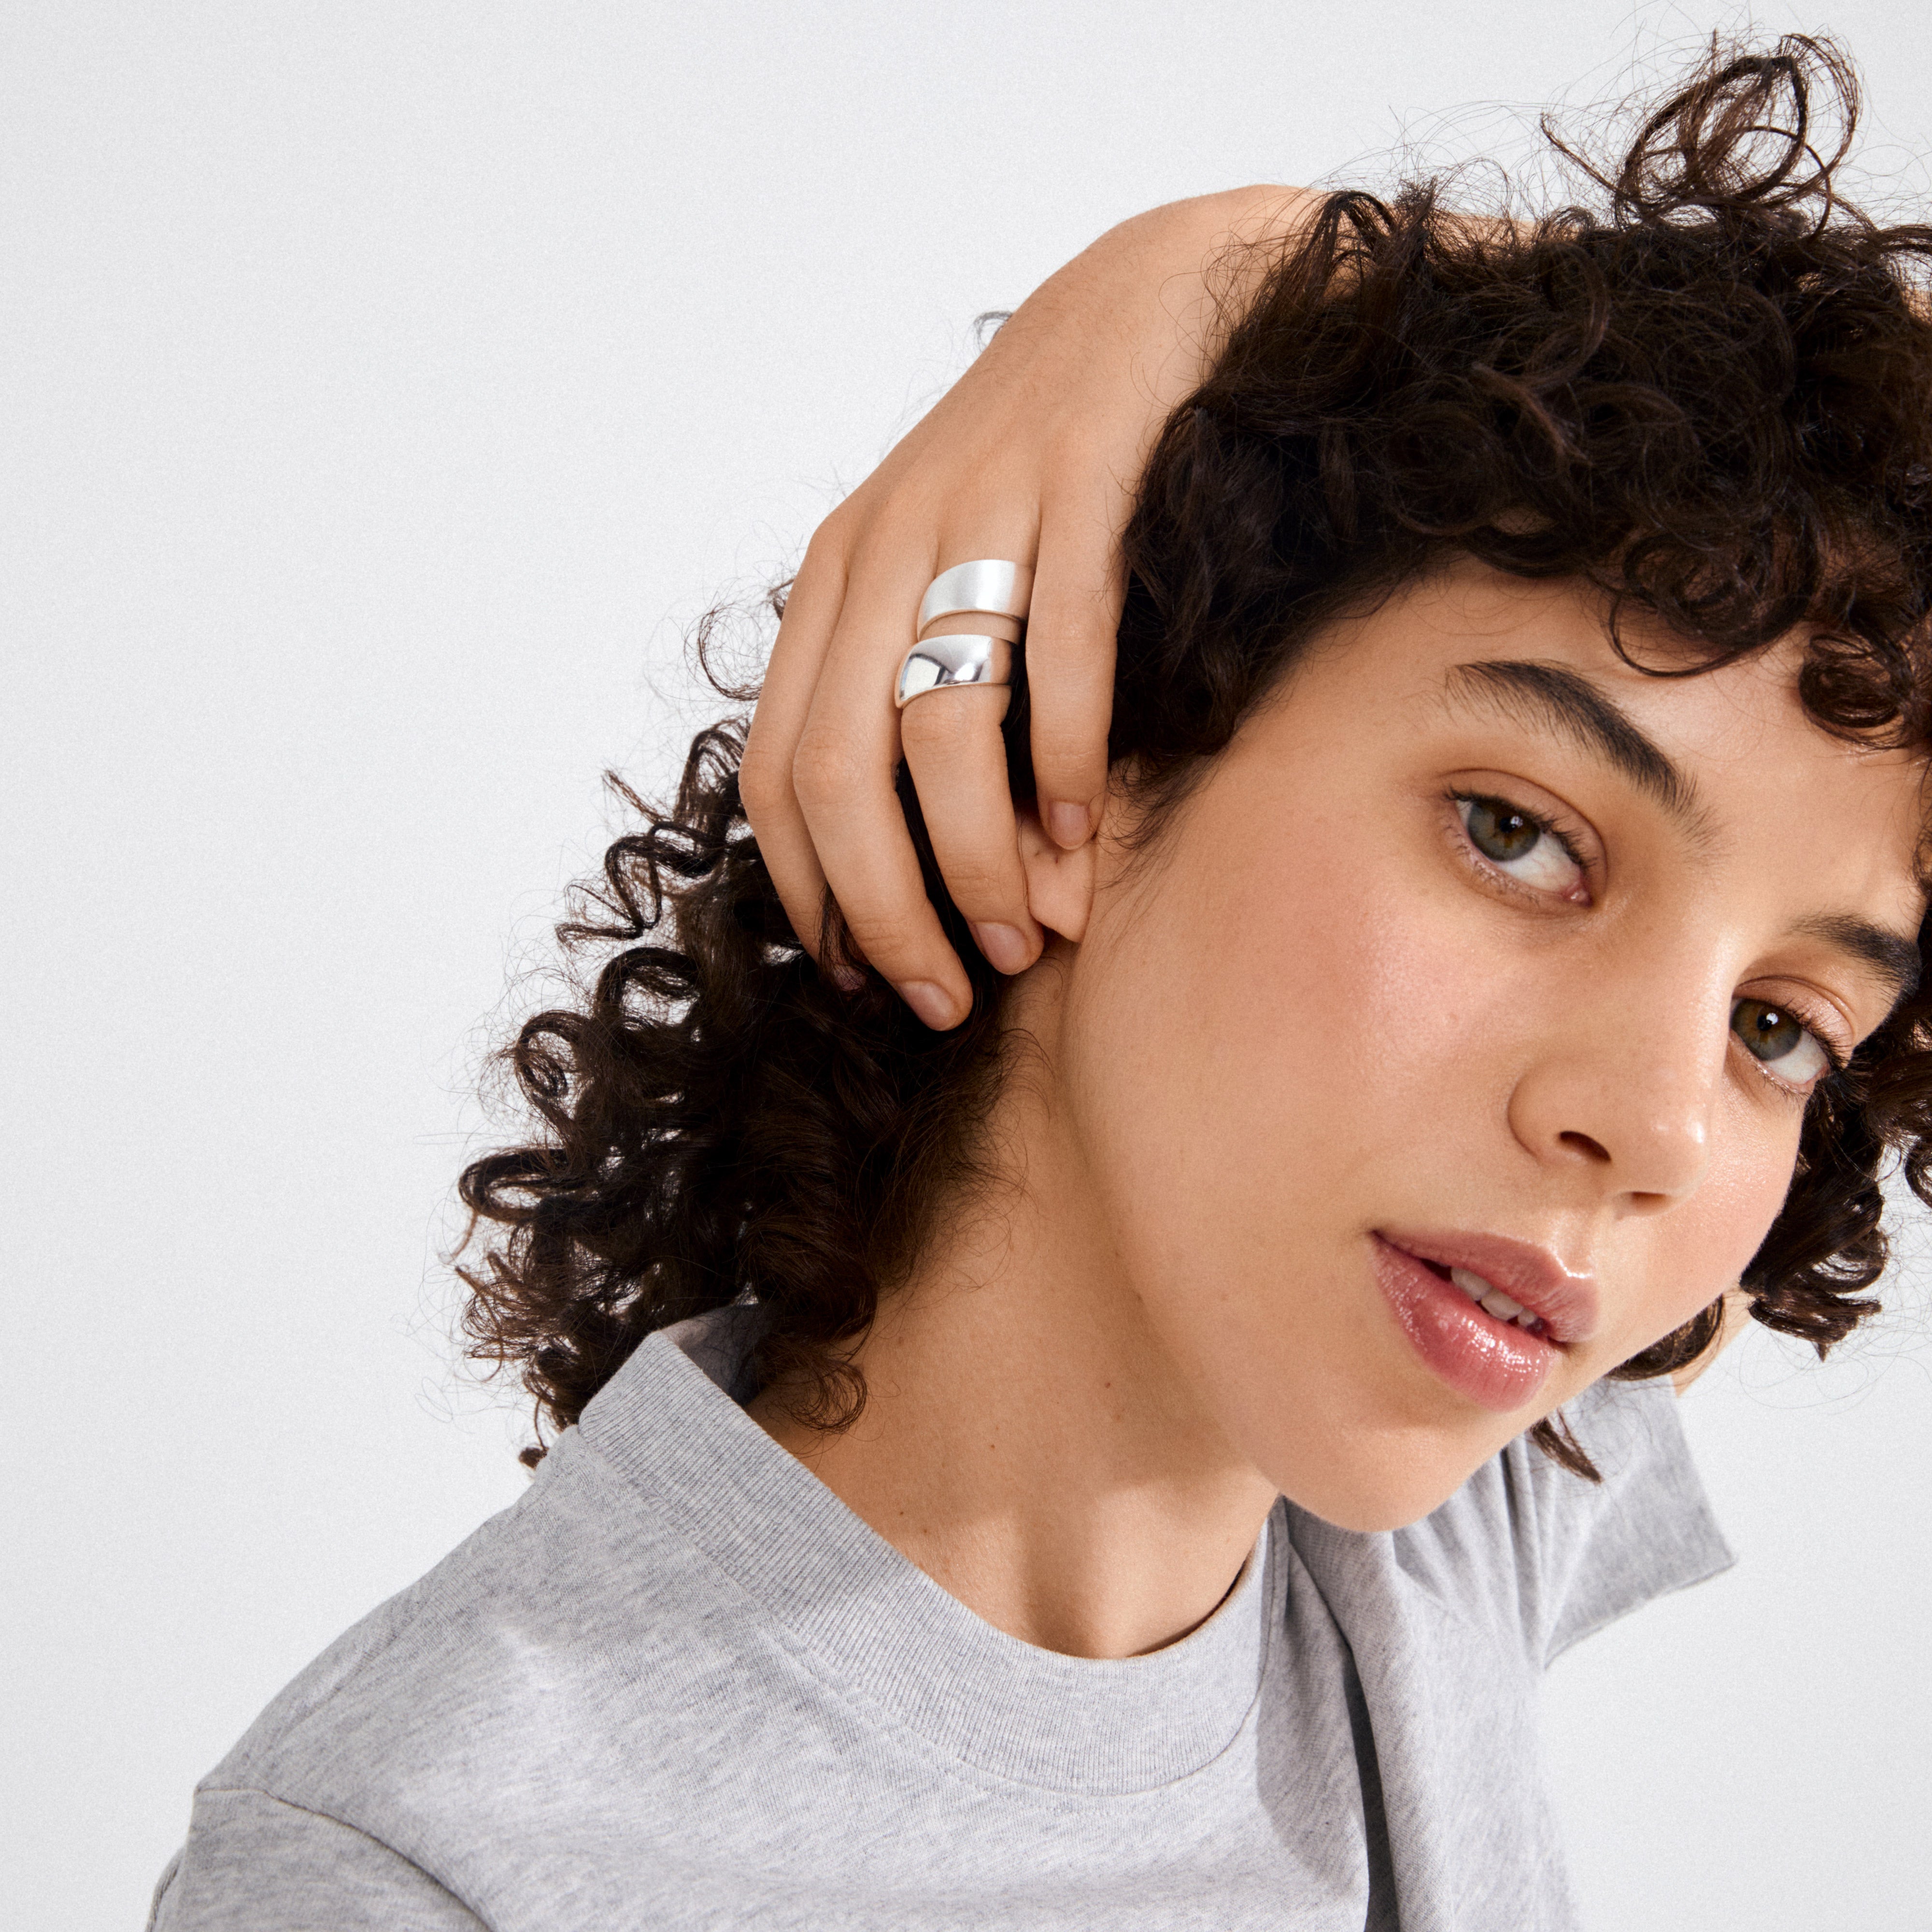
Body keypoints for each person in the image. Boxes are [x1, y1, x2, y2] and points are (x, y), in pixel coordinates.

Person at [150, 37, 1932, 1931]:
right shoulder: (432, 1861)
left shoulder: (1435, 1498)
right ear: (1091, 743)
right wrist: (1241, 312)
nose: (1655, 1124)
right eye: (1515, 832)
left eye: (1776, 1027)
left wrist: (1188, 277)